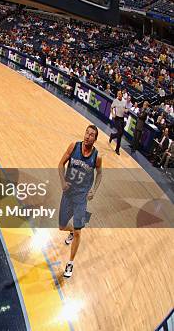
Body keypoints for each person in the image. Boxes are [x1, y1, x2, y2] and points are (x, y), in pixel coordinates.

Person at [58, 125, 103, 278]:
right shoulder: (73, 146)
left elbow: (100, 174)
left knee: (79, 231)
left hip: (81, 198)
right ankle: (70, 230)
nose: (88, 136)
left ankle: (70, 263)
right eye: (87, 133)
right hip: (68, 194)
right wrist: (63, 182)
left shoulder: (97, 157)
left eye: (92, 135)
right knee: (61, 226)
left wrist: (94, 190)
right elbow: (60, 164)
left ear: (95, 139)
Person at [108, 90, 126, 155]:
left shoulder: (124, 101)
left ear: (122, 94)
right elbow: (111, 107)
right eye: (117, 94)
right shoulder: (115, 100)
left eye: (119, 94)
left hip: (122, 118)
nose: (118, 95)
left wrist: (126, 110)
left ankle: (112, 136)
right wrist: (112, 113)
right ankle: (117, 149)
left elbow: (126, 108)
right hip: (117, 118)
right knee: (120, 132)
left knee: (120, 134)